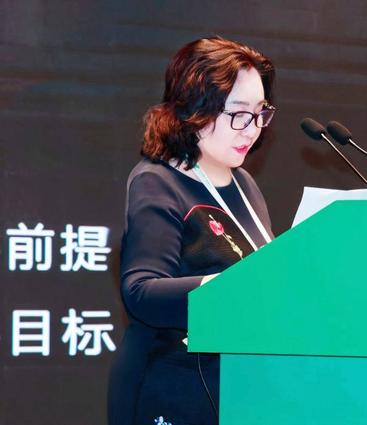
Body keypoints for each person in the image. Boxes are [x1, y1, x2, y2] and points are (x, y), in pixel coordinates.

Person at [107, 36, 276, 425]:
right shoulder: (157, 181)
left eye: (260, 113)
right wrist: (226, 289)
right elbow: (141, 291)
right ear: (195, 108)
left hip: (235, 393)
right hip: (170, 390)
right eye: (239, 114)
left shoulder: (245, 186)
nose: (251, 129)